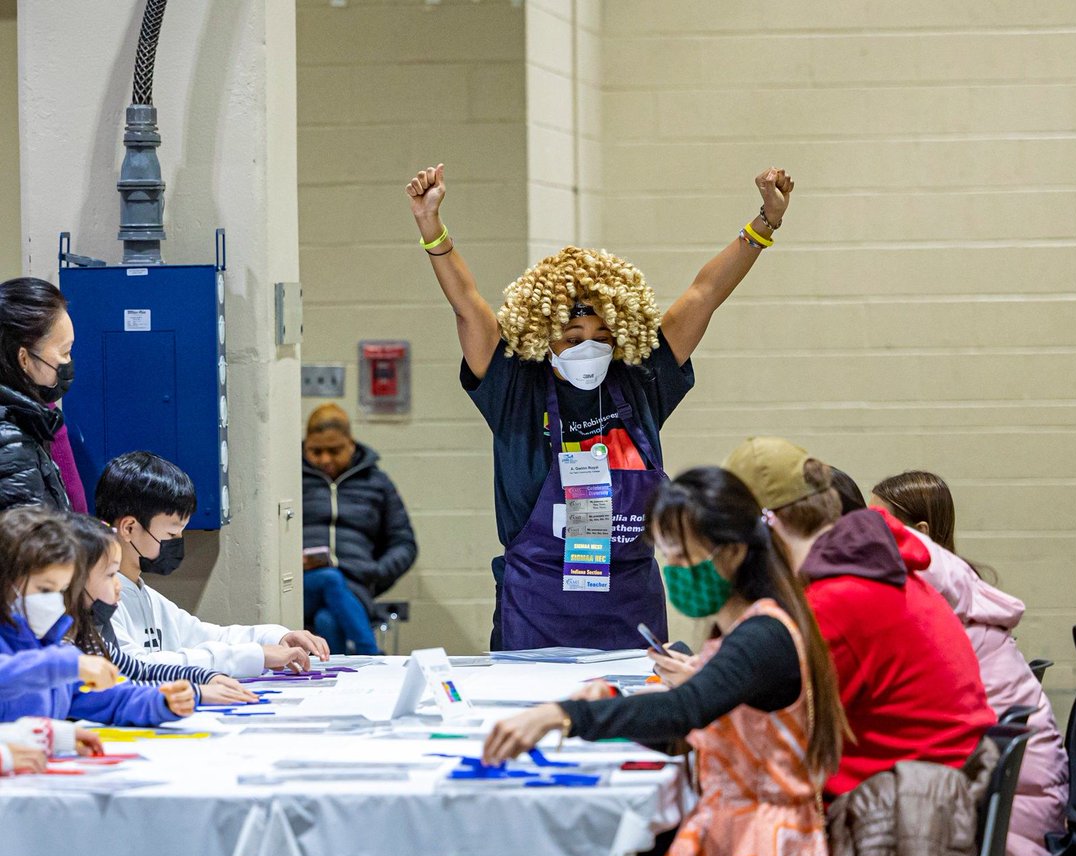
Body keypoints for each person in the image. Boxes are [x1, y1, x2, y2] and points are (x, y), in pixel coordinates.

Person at [405, 163, 795, 651]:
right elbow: (467, 304)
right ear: (543, 334)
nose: (589, 347)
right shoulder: (514, 388)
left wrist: (765, 222)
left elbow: (705, 294)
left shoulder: (641, 381)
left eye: (602, 335)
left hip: (630, 608)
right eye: (573, 338)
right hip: (536, 609)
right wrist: (431, 227)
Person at [484, 467, 846, 856]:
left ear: (733, 552)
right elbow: (700, 724)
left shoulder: (764, 635)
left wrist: (564, 715)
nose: (672, 570)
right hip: (731, 830)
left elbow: (685, 709)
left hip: (763, 846)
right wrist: (613, 706)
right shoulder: (736, 632)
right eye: (666, 555)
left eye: (681, 556)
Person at [871, 470, 1076, 856]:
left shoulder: (936, 607)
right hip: (1025, 810)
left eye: (881, 524)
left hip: (1014, 831)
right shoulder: (960, 590)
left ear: (919, 533)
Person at [722, 437, 995, 797]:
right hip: (933, 790)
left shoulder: (838, 601)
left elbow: (768, 730)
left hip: (909, 809)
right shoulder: (883, 576)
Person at [96, 452, 330, 677]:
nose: (178, 542)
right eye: (171, 533)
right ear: (129, 528)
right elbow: (135, 667)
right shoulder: (96, 599)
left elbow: (208, 636)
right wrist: (253, 656)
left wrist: (275, 637)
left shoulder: (145, 595)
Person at [0, 506, 193, 729]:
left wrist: (160, 702)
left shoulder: (50, 645)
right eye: (45, 589)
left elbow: (107, 698)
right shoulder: (56, 660)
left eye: (62, 590)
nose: (55, 601)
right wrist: (68, 665)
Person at [67, 514, 260, 706]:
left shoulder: (88, 637)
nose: (118, 585)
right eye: (110, 575)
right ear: (75, 581)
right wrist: (193, 693)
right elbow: (107, 694)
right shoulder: (63, 648)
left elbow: (140, 671)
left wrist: (204, 677)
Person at [302, 403, 417, 654]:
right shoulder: (290, 479)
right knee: (329, 578)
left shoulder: (376, 483)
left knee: (326, 620)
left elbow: (404, 543)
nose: (325, 459)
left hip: (355, 585)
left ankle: (337, 675)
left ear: (351, 444)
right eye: (316, 451)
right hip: (304, 584)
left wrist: (376, 573)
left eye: (334, 450)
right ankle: (373, 656)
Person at [0, 277, 75, 512]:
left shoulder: (25, 420)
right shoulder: (10, 444)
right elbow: (33, 534)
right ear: (23, 358)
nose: (68, 362)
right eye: (65, 352)